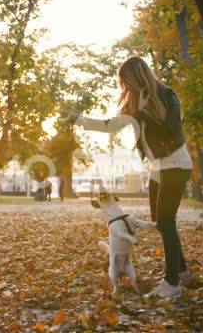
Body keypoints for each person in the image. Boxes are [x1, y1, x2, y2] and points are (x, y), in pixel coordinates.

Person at [69, 56, 193, 298]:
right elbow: (110, 124)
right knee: (160, 221)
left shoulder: (167, 95)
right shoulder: (136, 104)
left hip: (175, 165)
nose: (124, 88)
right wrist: (79, 120)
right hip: (158, 168)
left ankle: (172, 284)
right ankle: (182, 272)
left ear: (137, 77)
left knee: (166, 222)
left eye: (126, 82)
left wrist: (145, 111)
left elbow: (172, 131)